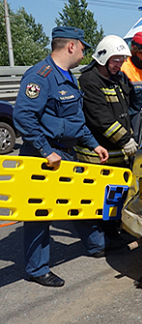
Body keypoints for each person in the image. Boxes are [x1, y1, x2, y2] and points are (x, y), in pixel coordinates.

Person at [13, 26, 109, 287]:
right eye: (82, 47)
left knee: (80, 199)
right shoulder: (40, 76)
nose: (84, 52)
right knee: (41, 212)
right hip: (44, 155)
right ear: (71, 46)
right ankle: (37, 268)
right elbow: (23, 116)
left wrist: (93, 144)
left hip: (66, 153)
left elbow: (74, 121)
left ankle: (96, 245)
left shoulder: (68, 76)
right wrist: (46, 150)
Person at [75, 35, 137, 167]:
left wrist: (130, 137)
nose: (119, 65)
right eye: (115, 61)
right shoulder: (89, 80)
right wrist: (125, 140)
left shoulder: (116, 79)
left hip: (118, 154)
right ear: (103, 58)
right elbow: (100, 117)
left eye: (122, 61)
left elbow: (124, 112)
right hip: (96, 159)